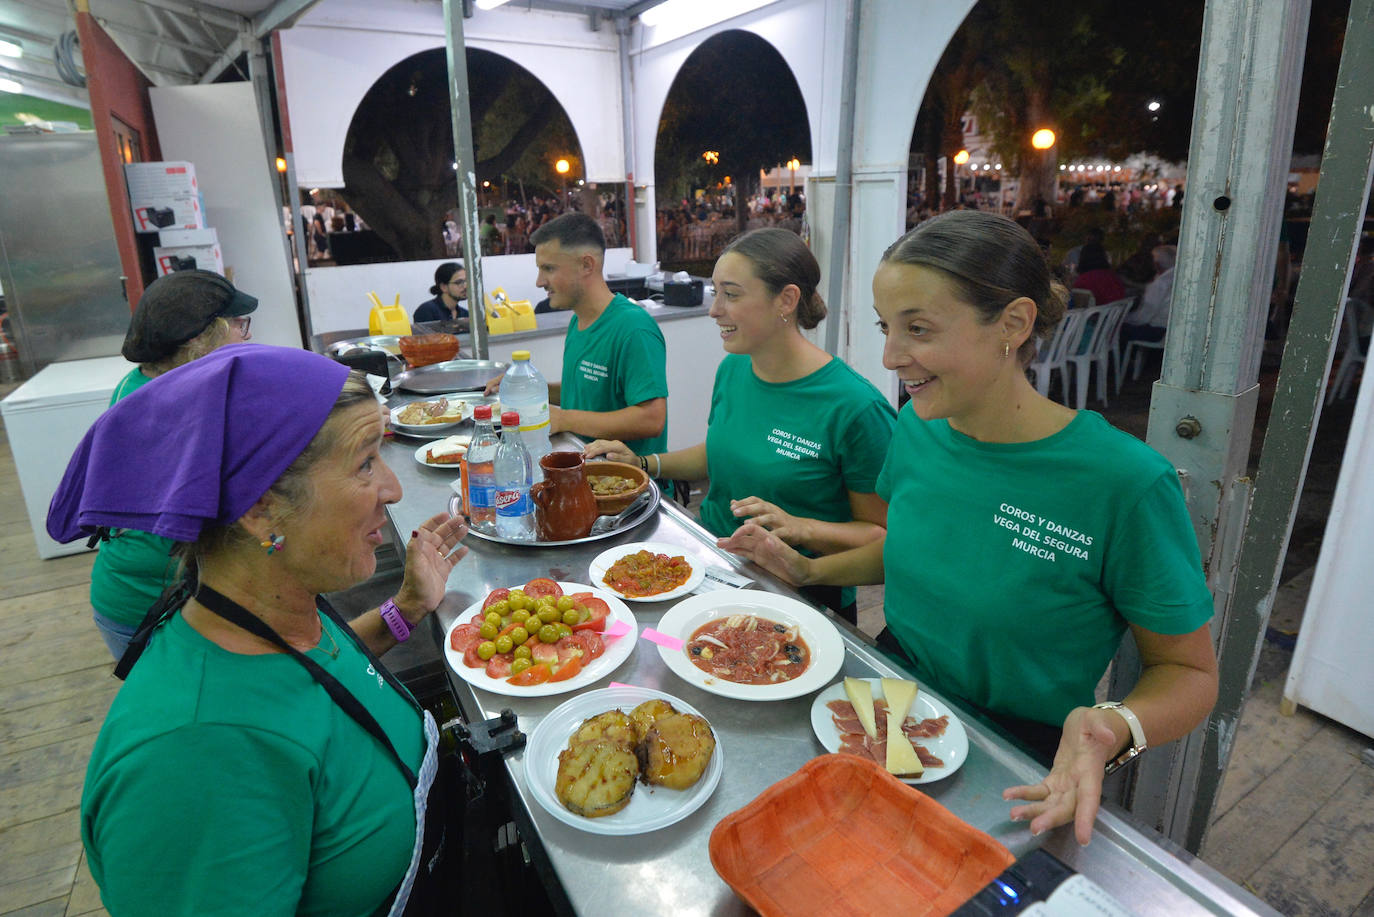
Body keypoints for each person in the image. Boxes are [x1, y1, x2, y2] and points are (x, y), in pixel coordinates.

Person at [721, 211, 1217, 845]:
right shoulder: (918, 426)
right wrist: (808, 569)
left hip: (1014, 751)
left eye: (918, 329)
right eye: (886, 327)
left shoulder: (1124, 482)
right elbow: (915, 548)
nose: (890, 356)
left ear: (1012, 324)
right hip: (888, 700)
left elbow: (1190, 673)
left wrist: (1114, 724)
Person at [49, 345, 469, 914]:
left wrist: (410, 607)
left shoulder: (273, 609)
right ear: (261, 508)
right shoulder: (194, 756)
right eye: (366, 462)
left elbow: (321, 673)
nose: (393, 490)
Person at [585, 229, 894, 622]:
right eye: (717, 294)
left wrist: (800, 528)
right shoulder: (734, 368)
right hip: (715, 565)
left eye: (731, 295)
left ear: (786, 300)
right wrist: (643, 465)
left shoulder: (855, 407)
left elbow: (882, 538)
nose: (715, 311)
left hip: (802, 596)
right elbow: (721, 452)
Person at [91, 270, 256, 659]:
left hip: (138, 590)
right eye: (236, 324)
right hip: (153, 607)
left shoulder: (140, 381)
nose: (245, 334)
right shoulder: (177, 409)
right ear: (197, 339)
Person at [488, 212, 668, 457]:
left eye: (548, 269)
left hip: (625, 485)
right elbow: (585, 390)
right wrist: (528, 387)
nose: (540, 281)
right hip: (582, 468)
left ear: (586, 265)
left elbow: (651, 419)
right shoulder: (579, 321)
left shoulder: (633, 328)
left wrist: (564, 419)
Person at [1120, 244, 1178, 346]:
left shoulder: (1161, 283)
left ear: (1157, 264)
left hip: (1157, 330)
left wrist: (1123, 318)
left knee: (1111, 329)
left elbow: (1143, 317)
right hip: (1171, 329)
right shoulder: (1176, 277)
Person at [1071, 242, 1126, 306]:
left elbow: (1079, 304)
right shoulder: (1112, 276)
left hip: (1097, 314)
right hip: (1115, 313)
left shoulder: (1084, 280)